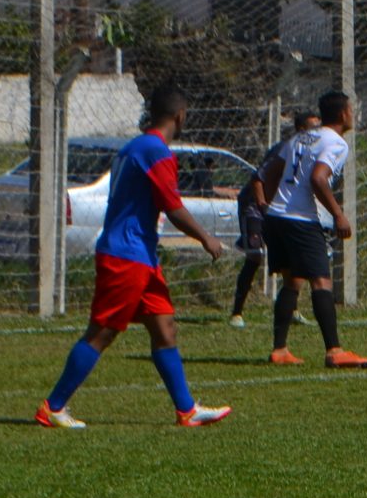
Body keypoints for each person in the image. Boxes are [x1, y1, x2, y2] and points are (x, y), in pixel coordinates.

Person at [37, 83, 233, 429]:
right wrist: (206, 238)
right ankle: (53, 407)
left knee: (165, 327)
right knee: (102, 332)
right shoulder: (157, 152)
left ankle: (187, 410)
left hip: (141, 254)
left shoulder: (132, 147)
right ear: (180, 116)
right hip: (126, 255)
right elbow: (172, 206)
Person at [257, 91, 367, 369]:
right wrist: (339, 215)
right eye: (351, 110)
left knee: (293, 281)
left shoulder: (301, 137)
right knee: (321, 282)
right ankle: (334, 351)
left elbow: (271, 172)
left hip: (276, 217)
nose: (353, 114)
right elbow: (318, 178)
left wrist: (270, 205)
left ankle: (280, 349)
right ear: (343, 113)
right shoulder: (336, 142)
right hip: (301, 220)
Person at [230, 108, 318, 328]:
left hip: (278, 208)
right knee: (255, 255)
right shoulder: (283, 149)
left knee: (291, 258)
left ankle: (292, 309)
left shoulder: (312, 153)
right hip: (255, 206)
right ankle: (237, 312)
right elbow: (258, 179)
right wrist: (263, 207)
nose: (317, 133)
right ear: (301, 130)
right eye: (313, 128)